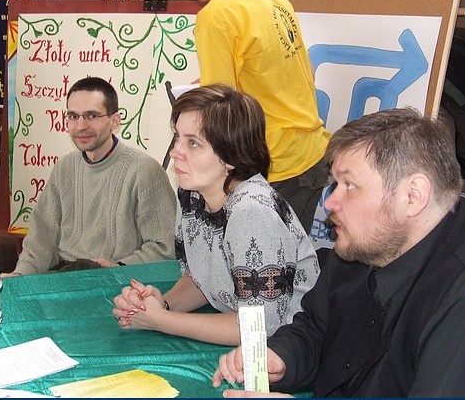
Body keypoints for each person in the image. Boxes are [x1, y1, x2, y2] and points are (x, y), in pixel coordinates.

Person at [212, 107, 465, 397]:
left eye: (349, 185)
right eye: (335, 184)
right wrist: (281, 358)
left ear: (413, 196)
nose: (330, 202)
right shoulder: (366, 242)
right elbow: (315, 329)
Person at [112, 84, 320, 346]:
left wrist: (161, 321)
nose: (175, 151)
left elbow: (256, 330)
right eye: (177, 137)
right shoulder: (192, 193)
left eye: (193, 143)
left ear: (231, 155)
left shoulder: (252, 212)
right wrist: (159, 305)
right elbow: (201, 280)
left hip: (288, 349)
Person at [184, 0, 332, 234]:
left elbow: (220, 110)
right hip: (310, 152)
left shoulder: (216, 15)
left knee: (259, 254)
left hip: (273, 162)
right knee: (294, 253)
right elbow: (303, 71)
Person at [2, 77, 176, 276]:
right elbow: (41, 240)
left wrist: (120, 267)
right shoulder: (64, 167)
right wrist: (20, 276)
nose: (80, 126)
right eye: (73, 116)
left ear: (115, 121)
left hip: (118, 280)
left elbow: (164, 248)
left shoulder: (145, 171)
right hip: (64, 274)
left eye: (92, 115)